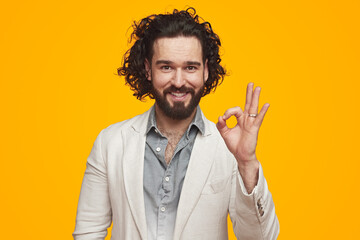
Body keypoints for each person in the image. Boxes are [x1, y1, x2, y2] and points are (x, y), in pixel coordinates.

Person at [73, 7, 279, 240]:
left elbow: (260, 238)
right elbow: (88, 232)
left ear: (205, 71)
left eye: (190, 67)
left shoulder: (228, 148)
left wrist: (247, 162)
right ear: (148, 69)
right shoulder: (110, 143)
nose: (179, 82)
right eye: (166, 67)